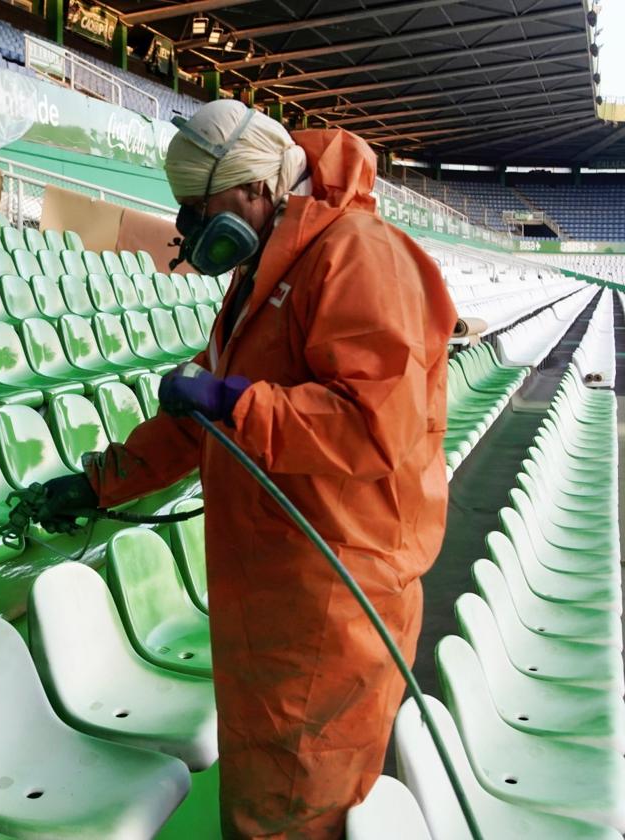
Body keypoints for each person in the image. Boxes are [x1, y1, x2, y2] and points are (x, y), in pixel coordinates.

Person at [34, 100, 456, 838]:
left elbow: (370, 425)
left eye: (200, 209)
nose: (191, 229)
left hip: (332, 603)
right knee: (266, 798)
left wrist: (235, 402)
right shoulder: (272, 266)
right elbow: (197, 424)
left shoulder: (358, 254)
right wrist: (99, 481)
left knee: (296, 813)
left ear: (256, 191)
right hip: (272, 600)